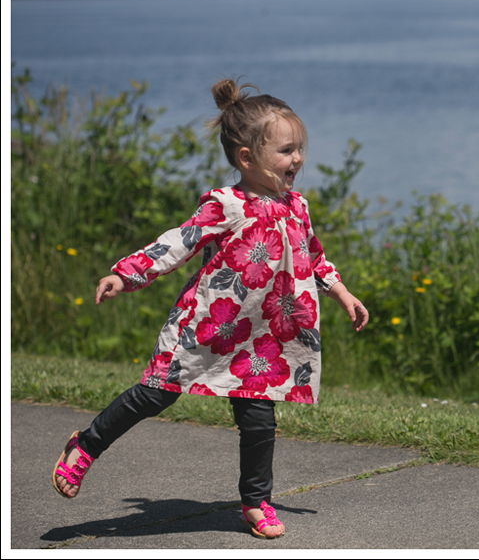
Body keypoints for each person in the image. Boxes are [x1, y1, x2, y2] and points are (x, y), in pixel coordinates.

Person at [51, 78, 369, 539]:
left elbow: (313, 255)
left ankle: (256, 501)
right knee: (155, 394)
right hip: (210, 329)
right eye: (285, 151)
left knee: (260, 421)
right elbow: (178, 243)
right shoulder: (225, 204)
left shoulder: (296, 206)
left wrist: (341, 292)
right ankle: (86, 445)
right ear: (246, 158)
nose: (297, 158)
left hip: (262, 339)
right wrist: (127, 273)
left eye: (299, 148)